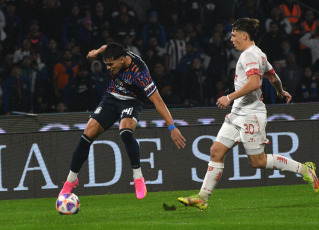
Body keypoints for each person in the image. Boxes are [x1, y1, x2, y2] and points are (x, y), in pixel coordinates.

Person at [178, 18, 319, 211]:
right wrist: (280, 90)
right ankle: (202, 197)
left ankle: (305, 169)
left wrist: (229, 96)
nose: (231, 39)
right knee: (216, 151)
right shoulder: (258, 54)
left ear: (244, 35)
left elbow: (254, 83)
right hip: (238, 113)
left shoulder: (249, 55)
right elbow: (272, 75)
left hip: (251, 115)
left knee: (258, 161)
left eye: (234, 35)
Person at [58, 42, 186, 199]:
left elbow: (158, 101)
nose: (108, 68)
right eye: (106, 64)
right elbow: (106, 47)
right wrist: (97, 51)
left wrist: (172, 127)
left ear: (122, 60)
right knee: (86, 135)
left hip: (132, 101)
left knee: (125, 132)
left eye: (110, 65)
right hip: (111, 98)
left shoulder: (140, 74)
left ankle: (138, 177)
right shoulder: (114, 53)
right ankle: (70, 181)